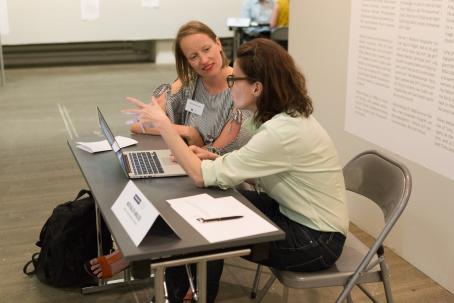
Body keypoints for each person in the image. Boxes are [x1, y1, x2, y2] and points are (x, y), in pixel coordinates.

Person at [125, 38, 349, 303]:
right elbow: (262, 172)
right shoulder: (281, 118)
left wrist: (164, 126)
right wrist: (213, 157)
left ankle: (187, 296)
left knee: (213, 230)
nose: (229, 86)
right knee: (208, 203)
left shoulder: (281, 131)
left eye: (235, 80)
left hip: (316, 240)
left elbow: (200, 176)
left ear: (256, 87)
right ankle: (182, 294)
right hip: (293, 213)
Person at [84, 20, 251, 286]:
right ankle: (147, 253)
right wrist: (187, 130)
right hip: (188, 165)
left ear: (219, 44)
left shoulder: (241, 90)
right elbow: (142, 123)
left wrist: (188, 139)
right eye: (192, 57)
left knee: (170, 193)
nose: (203, 60)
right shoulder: (191, 84)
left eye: (207, 49)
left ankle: (156, 264)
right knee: (148, 184)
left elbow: (219, 150)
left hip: (226, 175)